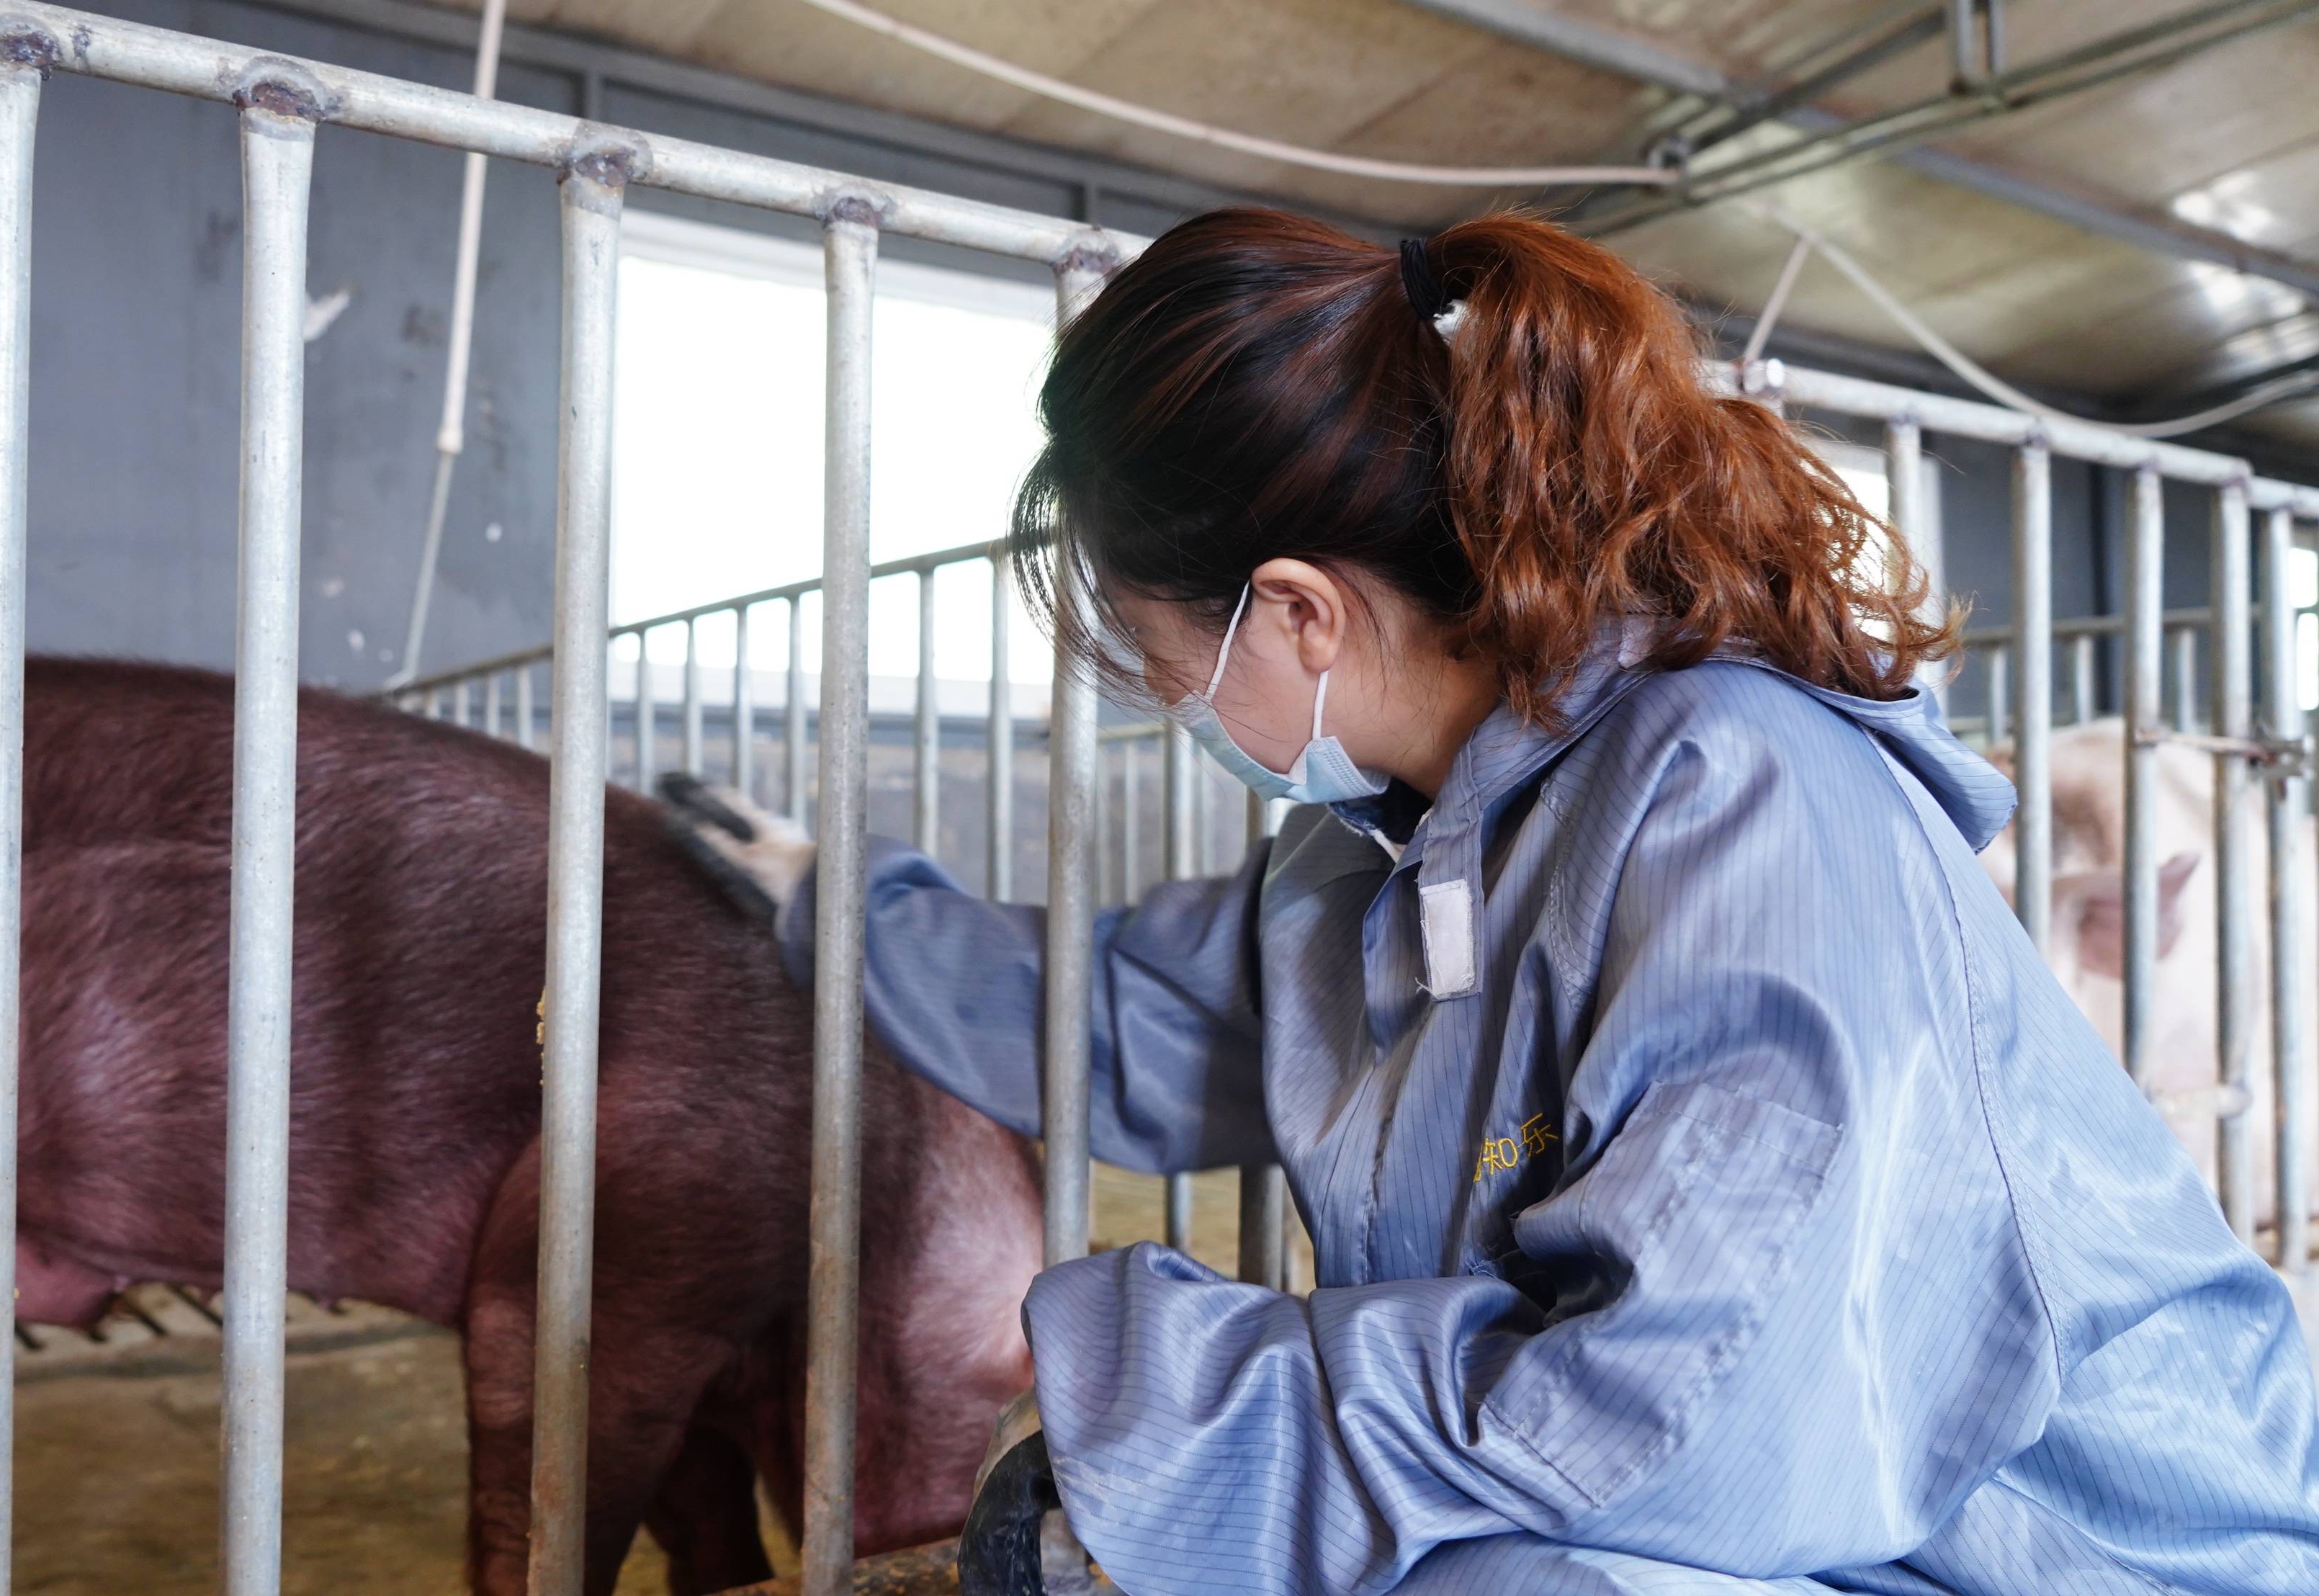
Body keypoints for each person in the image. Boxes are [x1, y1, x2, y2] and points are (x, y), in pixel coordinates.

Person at [669, 209, 2319, 1595]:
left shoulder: (1737, 800)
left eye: (1169, 670)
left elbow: (1679, 1406)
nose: (1173, 710)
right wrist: (828, 905)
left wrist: (1172, 1403)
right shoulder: (1378, 852)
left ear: (1300, 615)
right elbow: (1130, 1012)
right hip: (1816, 1524)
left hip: (2078, 1553)